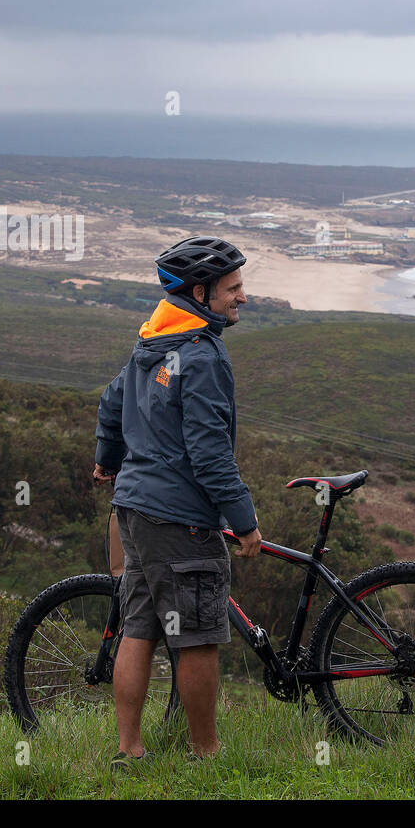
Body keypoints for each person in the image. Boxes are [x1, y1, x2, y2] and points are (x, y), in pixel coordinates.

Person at [92, 235, 264, 769]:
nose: (242, 296)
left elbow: (112, 400)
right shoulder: (202, 355)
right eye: (233, 288)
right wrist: (244, 520)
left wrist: (107, 457)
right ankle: (206, 754)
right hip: (180, 520)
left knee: (139, 627)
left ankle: (129, 749)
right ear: (200, 291)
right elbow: (209, 452)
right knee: (196, 637)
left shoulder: (151, 341)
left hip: (134, 511)